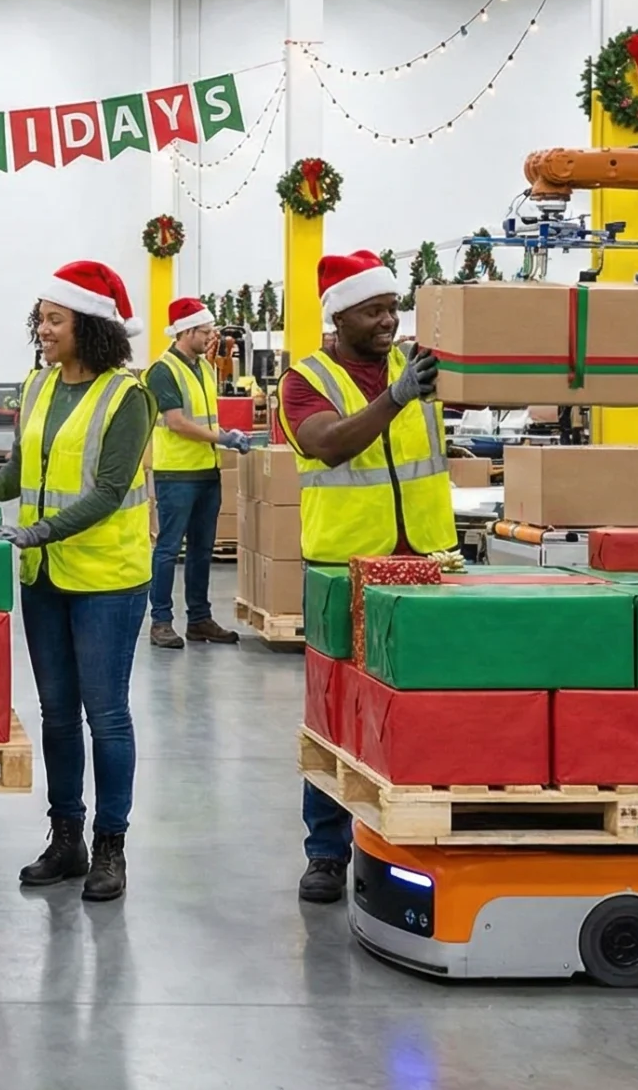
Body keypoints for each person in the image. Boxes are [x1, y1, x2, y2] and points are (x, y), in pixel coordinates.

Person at [0, 261, 154, 903]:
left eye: (55, 319)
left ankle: (111, 845)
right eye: (41, 319)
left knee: (105, 714)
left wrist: (35, 532)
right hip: (45, 577)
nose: (43, 329)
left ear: (90, 325)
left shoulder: (127, 397)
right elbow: (19, 470)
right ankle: (67, 838)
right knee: (56, 713)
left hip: (107, 578)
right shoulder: (38, 385)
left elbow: (109, 491)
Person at [276, 250, 453, 905]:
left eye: (392, 308)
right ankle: (326, 852)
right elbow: (329, 444)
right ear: (340, 316)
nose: (388, 321)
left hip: (425, 563)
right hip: (343, 567)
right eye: (373, 310)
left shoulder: (419, 366)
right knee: (334, 711)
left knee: (424, 704)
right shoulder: (305, 379)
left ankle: (414, 829)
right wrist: (396, 398)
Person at [145, 297, 251, 650]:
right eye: (204, 331)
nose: (210, 337)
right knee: (168, 549)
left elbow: (205, 417)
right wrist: (223, 438)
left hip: (207, 471)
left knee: (202, 549)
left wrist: (226, 436)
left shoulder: (204, 368)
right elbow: (176, 422)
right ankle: (161, 621)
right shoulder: (162, 371)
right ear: (185, 331)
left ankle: (199, 619)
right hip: (176, 474)